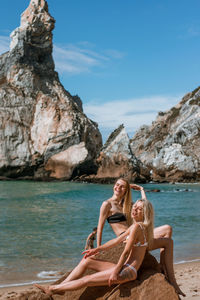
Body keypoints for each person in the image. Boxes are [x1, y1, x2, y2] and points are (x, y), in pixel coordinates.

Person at [35, 198, 154, 296]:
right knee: (87, 260)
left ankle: (52, 289)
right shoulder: (138, 226)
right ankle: (61, 288)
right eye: (135, 207)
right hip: (125, 268)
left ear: (145, 213)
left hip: (127, 271)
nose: (135, 210)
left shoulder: (137, 227)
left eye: (139, 209)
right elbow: (116, 241)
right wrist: (97, 249)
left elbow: (126, 252)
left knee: (87, 279)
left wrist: (115, 273)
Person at [96, 177, 185, 297]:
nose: (118, 188)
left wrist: (142, 190)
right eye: (117, 185)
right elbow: (100, 228)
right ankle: (171, 279)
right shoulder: (107, 204)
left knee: (168, 229)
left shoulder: (127, 204)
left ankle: (162, 266)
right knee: (168, 241)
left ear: (126, 190)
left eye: (122, 187)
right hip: (127, 237)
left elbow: (145, 208)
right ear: (114, 186)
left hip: (138, 234)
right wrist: (98, 249)